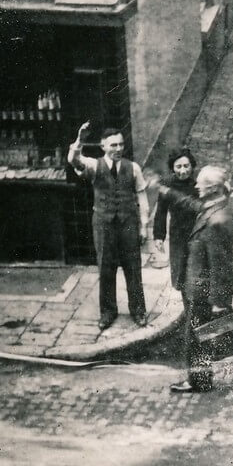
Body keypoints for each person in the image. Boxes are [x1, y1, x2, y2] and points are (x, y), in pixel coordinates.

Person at [67, 123, 149, 330]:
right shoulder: (94, 166)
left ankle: (138, 310)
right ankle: (108, 312)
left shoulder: (133, 168)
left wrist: (143, 226)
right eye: (113, 145)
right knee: (105, 267)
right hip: (104, 224)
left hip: (128, 223)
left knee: (133, 267)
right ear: (103, 147)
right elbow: (73, 160)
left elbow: (142, 196)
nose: (118, 149)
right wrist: (79, 140)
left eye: (121, 145)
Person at [170, 165, 233, 393]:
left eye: (200, 184)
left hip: (203, 289)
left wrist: (218, 302)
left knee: (197, 338)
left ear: (211, 188)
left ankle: (199, 382)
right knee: (202, 335)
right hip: (200, 286)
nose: (196, 186)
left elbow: (219, 264)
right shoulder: (216, 207)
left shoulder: (216, 220)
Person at [151, 147, 198, 297]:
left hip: (196, 233)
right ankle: (187, 309)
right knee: (181, 274)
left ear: (192, 166)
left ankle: (196, 310)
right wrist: (159, 236)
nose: (183, 170)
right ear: (173, 168)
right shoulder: (167, 185)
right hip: (178, 235)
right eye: (178, 166)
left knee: (197, 272)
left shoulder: (198, 185)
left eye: (186, 166)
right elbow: (161, 212)